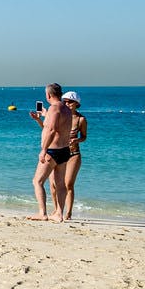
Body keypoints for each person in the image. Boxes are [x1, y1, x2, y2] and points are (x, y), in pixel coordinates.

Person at [27, 83, 72, 221]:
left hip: (52, 151)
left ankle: (43, 213)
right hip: (64, 150)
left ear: (48, 95)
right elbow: (53, 126)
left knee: (37, 181)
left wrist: (44, 150)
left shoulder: (54, 109)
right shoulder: (66, 108)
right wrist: (40, 119)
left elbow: (52, 131)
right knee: (60, 184)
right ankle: (59, 213)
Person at [62, 91, 87, 220]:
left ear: (77, 103)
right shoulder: (60, 116)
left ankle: (69, 213)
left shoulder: (81, 119)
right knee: (56, 185)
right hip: (60, 153)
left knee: (68, 184)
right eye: (65, 101)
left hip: (74, 154)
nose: (67, 104)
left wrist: (76, 140)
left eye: (70, 101)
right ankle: (58, 211)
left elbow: (84, 137)